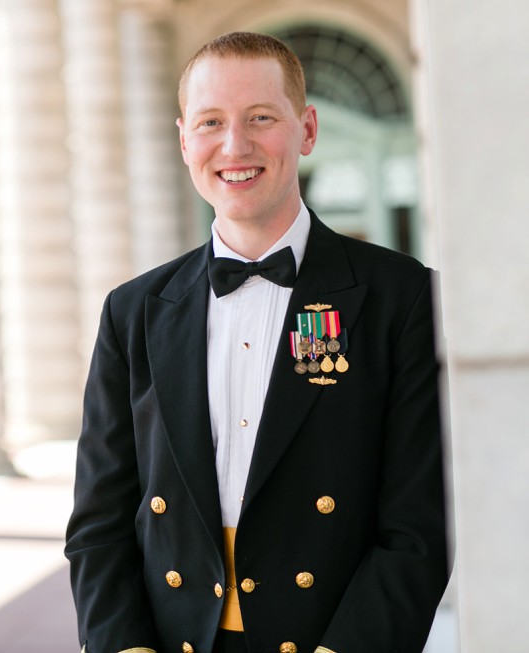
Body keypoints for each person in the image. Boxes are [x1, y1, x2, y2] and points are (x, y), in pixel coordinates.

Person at [65, 32, 449, 653]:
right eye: (211, 122)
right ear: (185, 138)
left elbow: (419, 525)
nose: (234, 146)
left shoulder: (400, 298)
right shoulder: (131, 312)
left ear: (308, 129)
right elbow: (98, 522)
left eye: (261, 118)